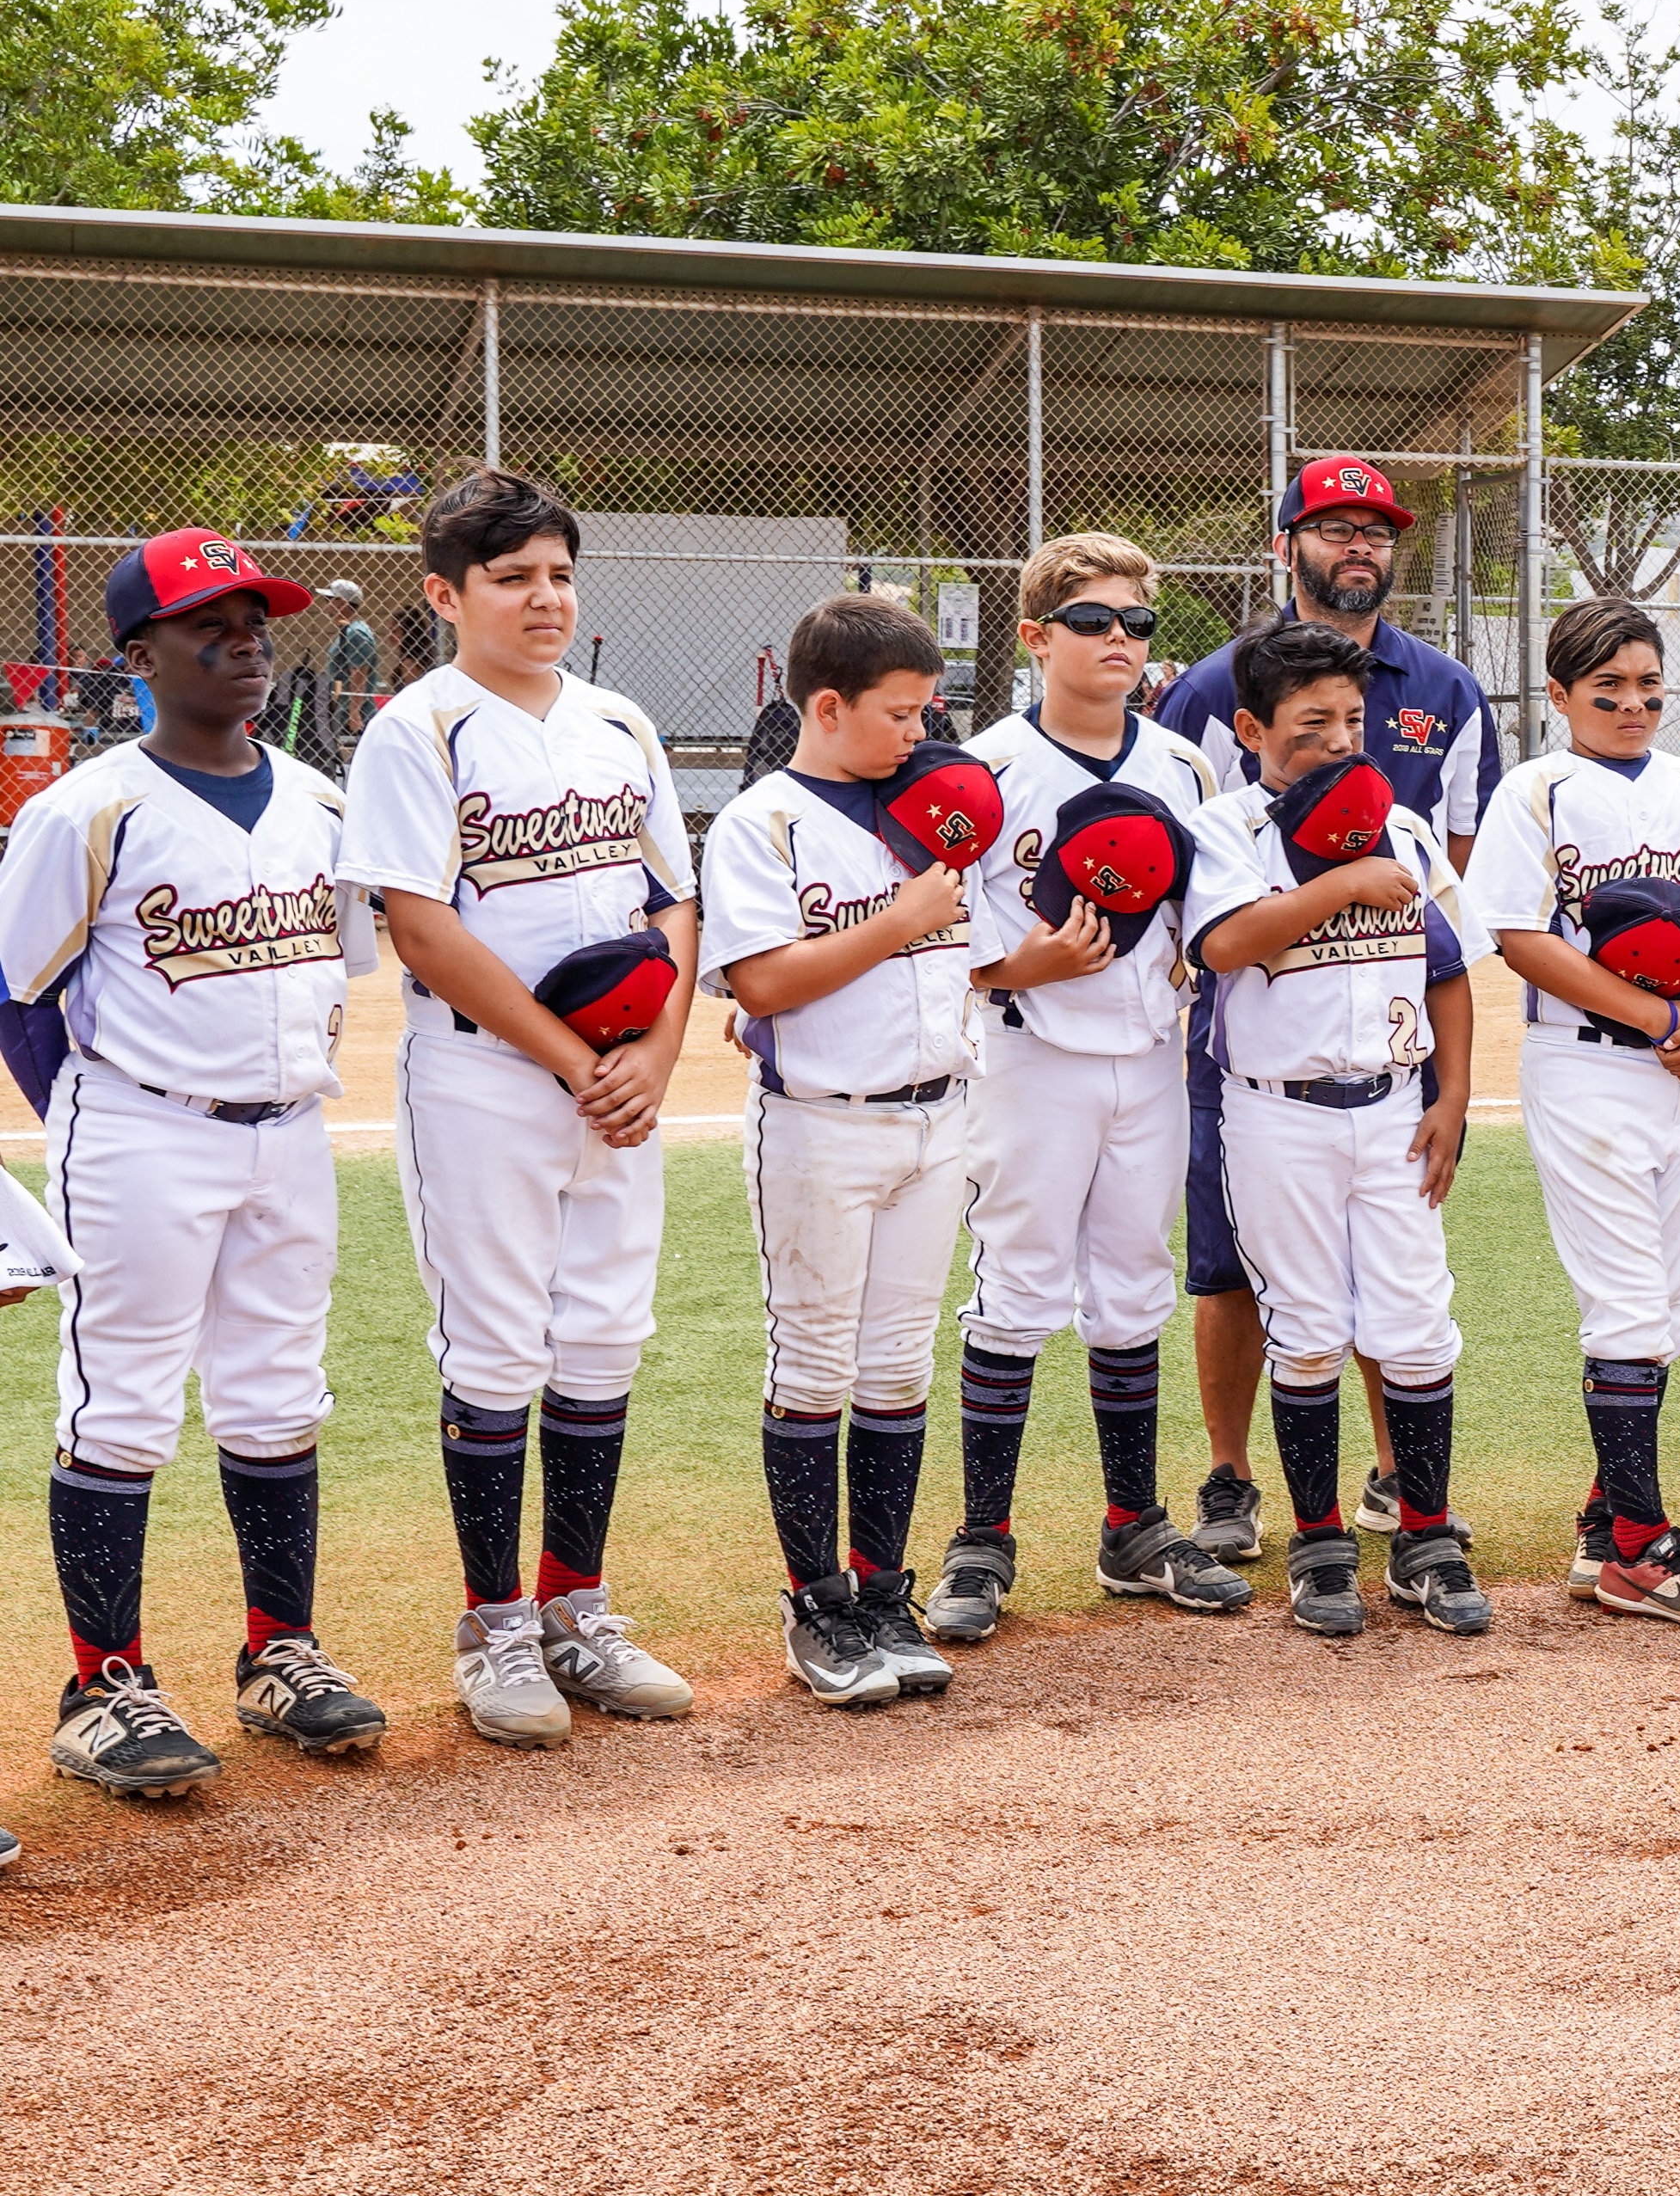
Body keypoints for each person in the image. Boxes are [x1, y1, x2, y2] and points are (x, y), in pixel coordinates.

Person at [0, 530, 388, 1798]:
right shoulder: (84, 808)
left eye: (256, 621)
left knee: (279, 1393)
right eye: (209, 624)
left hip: (290, 1129)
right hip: (139, 1129)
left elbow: (340, 975)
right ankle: (103, 1682)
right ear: (140, 655)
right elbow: (18, 993)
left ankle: (281, 1652)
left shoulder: (324, 803)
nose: (244, 642)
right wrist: (90, 1119)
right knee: (120, 1405)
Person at [341, 470, 701, 1745]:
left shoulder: (619, 720)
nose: (543, 597)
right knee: (496, 1349)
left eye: (557, 573)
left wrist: (654, 1057)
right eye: (511, 578)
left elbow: (674, 900)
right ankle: (493, 1624)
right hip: (484, 1078)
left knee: (603, 1336)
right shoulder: (417, 730)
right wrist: (569, 1056)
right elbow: (425, 931)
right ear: (446, 595)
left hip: (617, 1082)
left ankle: (578, 1611)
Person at [1153, 457, 1500, 1560]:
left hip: (1385, 1071)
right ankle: (1240, 1486)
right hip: (1257, 1070)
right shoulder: (1216, 692)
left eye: (1377, 529)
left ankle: (1411, 1500)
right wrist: (1334, 889)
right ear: (1289, 543)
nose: (1359, 544)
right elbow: (1210, 914)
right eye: (1334, 525)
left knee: (1404, 1305)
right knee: (1243, 1274)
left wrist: (1450, 1091)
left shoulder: (1442, 693)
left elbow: (1445, 937)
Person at [926, 534, 1242, 1647]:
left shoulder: (1186, 768)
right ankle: (982, 1537)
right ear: (1035, 637)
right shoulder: (986, 771)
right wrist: (1021, 965)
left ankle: (1132, 1525)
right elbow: (928, 933)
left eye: (1137, 625)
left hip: (1151, 1054)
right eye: (1095, 622)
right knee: (1017, 1286)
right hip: (1032, 1051)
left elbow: (1213, 904)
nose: (1121, 642)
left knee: (1130, 1282)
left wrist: (1209, 952)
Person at [697, 595, 983, 1708]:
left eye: (928, 711)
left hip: (939, 1116)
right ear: (827, 705)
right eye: (902, 714)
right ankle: (816, 1603)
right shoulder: (760, 823)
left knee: (901, 1367)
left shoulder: (936, 810)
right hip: (823, 1123)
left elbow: (975, 954)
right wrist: (900, 920)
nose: (921, 734)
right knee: (815, 1368)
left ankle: (881, 1594)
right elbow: (762, 981)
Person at [1465, 596, 1680, 1627]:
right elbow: (1516, 933)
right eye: (1608, 689)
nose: (1633, 704)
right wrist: (1658, 1013)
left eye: (1647, 686)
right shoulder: (1536, 790)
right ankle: (1644, 1551)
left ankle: (1605, 1526)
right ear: (1559, 696)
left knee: (1664, 1309)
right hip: (1586, 1063)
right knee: (1629, 1302)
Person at [320, 580, 379, 755]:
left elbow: (359, 673)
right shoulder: (349, 631)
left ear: (343, 603)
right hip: (343, 711)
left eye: (331, 600)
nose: (327, 606)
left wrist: (354, 711)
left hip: (354, 715)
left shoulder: (356, 633)